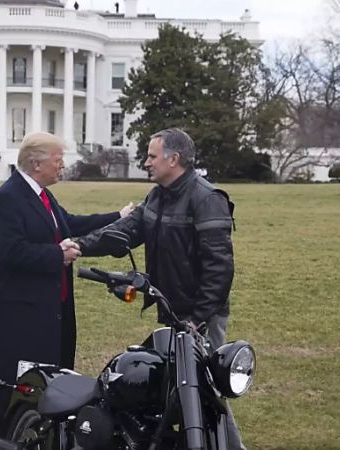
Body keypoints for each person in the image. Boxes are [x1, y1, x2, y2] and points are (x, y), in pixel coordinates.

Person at [76, 128, 246, 449]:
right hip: (171, 310)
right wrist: (79, 245)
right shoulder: (158, 195)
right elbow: (126, 229)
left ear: (174, 159)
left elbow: (219, 268)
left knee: (205, 390)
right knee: (175, 387)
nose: (146, 162)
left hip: (200, 317)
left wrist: (197, 319)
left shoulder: (206, 199)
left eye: (152, 156)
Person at [0, 131, 133, 437]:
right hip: (16, 316)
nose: (63, 166)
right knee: (14, 392)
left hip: (44, 312)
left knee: (44, 386)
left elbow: (68, 223)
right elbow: (9, 251)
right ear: (36, 163)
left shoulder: (41, 195)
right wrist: (56, 254)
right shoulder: (8, 198)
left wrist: (118, 218)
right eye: (58, 160)